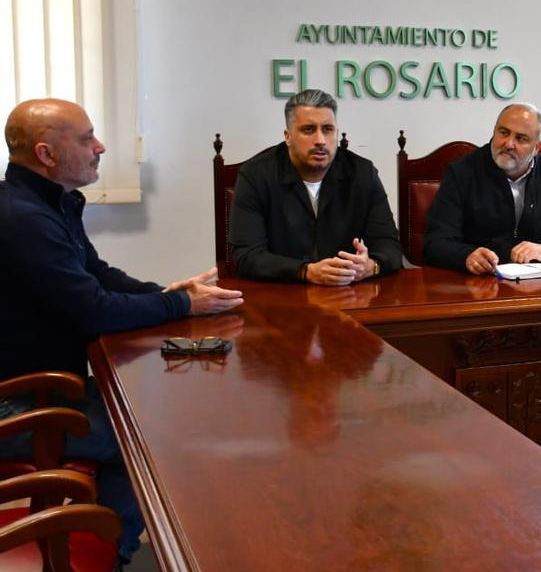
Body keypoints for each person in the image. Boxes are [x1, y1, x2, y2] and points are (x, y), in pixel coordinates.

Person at [0, 98, 243, 568]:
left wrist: (170, 294)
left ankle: (108, 548)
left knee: (145, 421)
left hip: (45, 387)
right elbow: (93, 312)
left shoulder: (49, 203)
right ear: (47, 154)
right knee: (151, 440)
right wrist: (180, 305)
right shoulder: (22, 219)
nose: (101, 147)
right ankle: (111, 555)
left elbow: (97, 274)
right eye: (87, 138)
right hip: (17, 403)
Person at [229, 89, 402, 284]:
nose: (320, 140)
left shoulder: (362, 173)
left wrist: (371, 266)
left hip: (346, 295)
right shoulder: (256, 175)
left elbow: (390, 246)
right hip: (278, 296)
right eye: (308, 130)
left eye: (328, 129)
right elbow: (247, 257)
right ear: (288, 136)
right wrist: (306, 272)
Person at [423, 102, 541, 273]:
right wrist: (466, 256)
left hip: (538, 286)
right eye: (503, 132)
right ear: (494, 131)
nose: (509, 143)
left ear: (537, 147)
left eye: (521, 138)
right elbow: (435, 243)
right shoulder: (461, 173)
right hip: (480, 284)